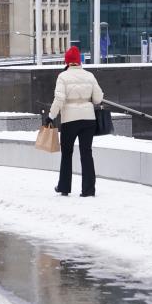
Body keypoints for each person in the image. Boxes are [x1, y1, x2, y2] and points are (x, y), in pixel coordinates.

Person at [46, 46, 104, 197]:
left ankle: (64, 187)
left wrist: (51, 116)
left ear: (67, 61)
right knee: (86, 153)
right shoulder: (89, 76)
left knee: (67, 153)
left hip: (69, 120)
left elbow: (59, 99)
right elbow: (98, 99)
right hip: (88, 120)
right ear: (79, 61)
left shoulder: (63, 77)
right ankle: (88, 190)